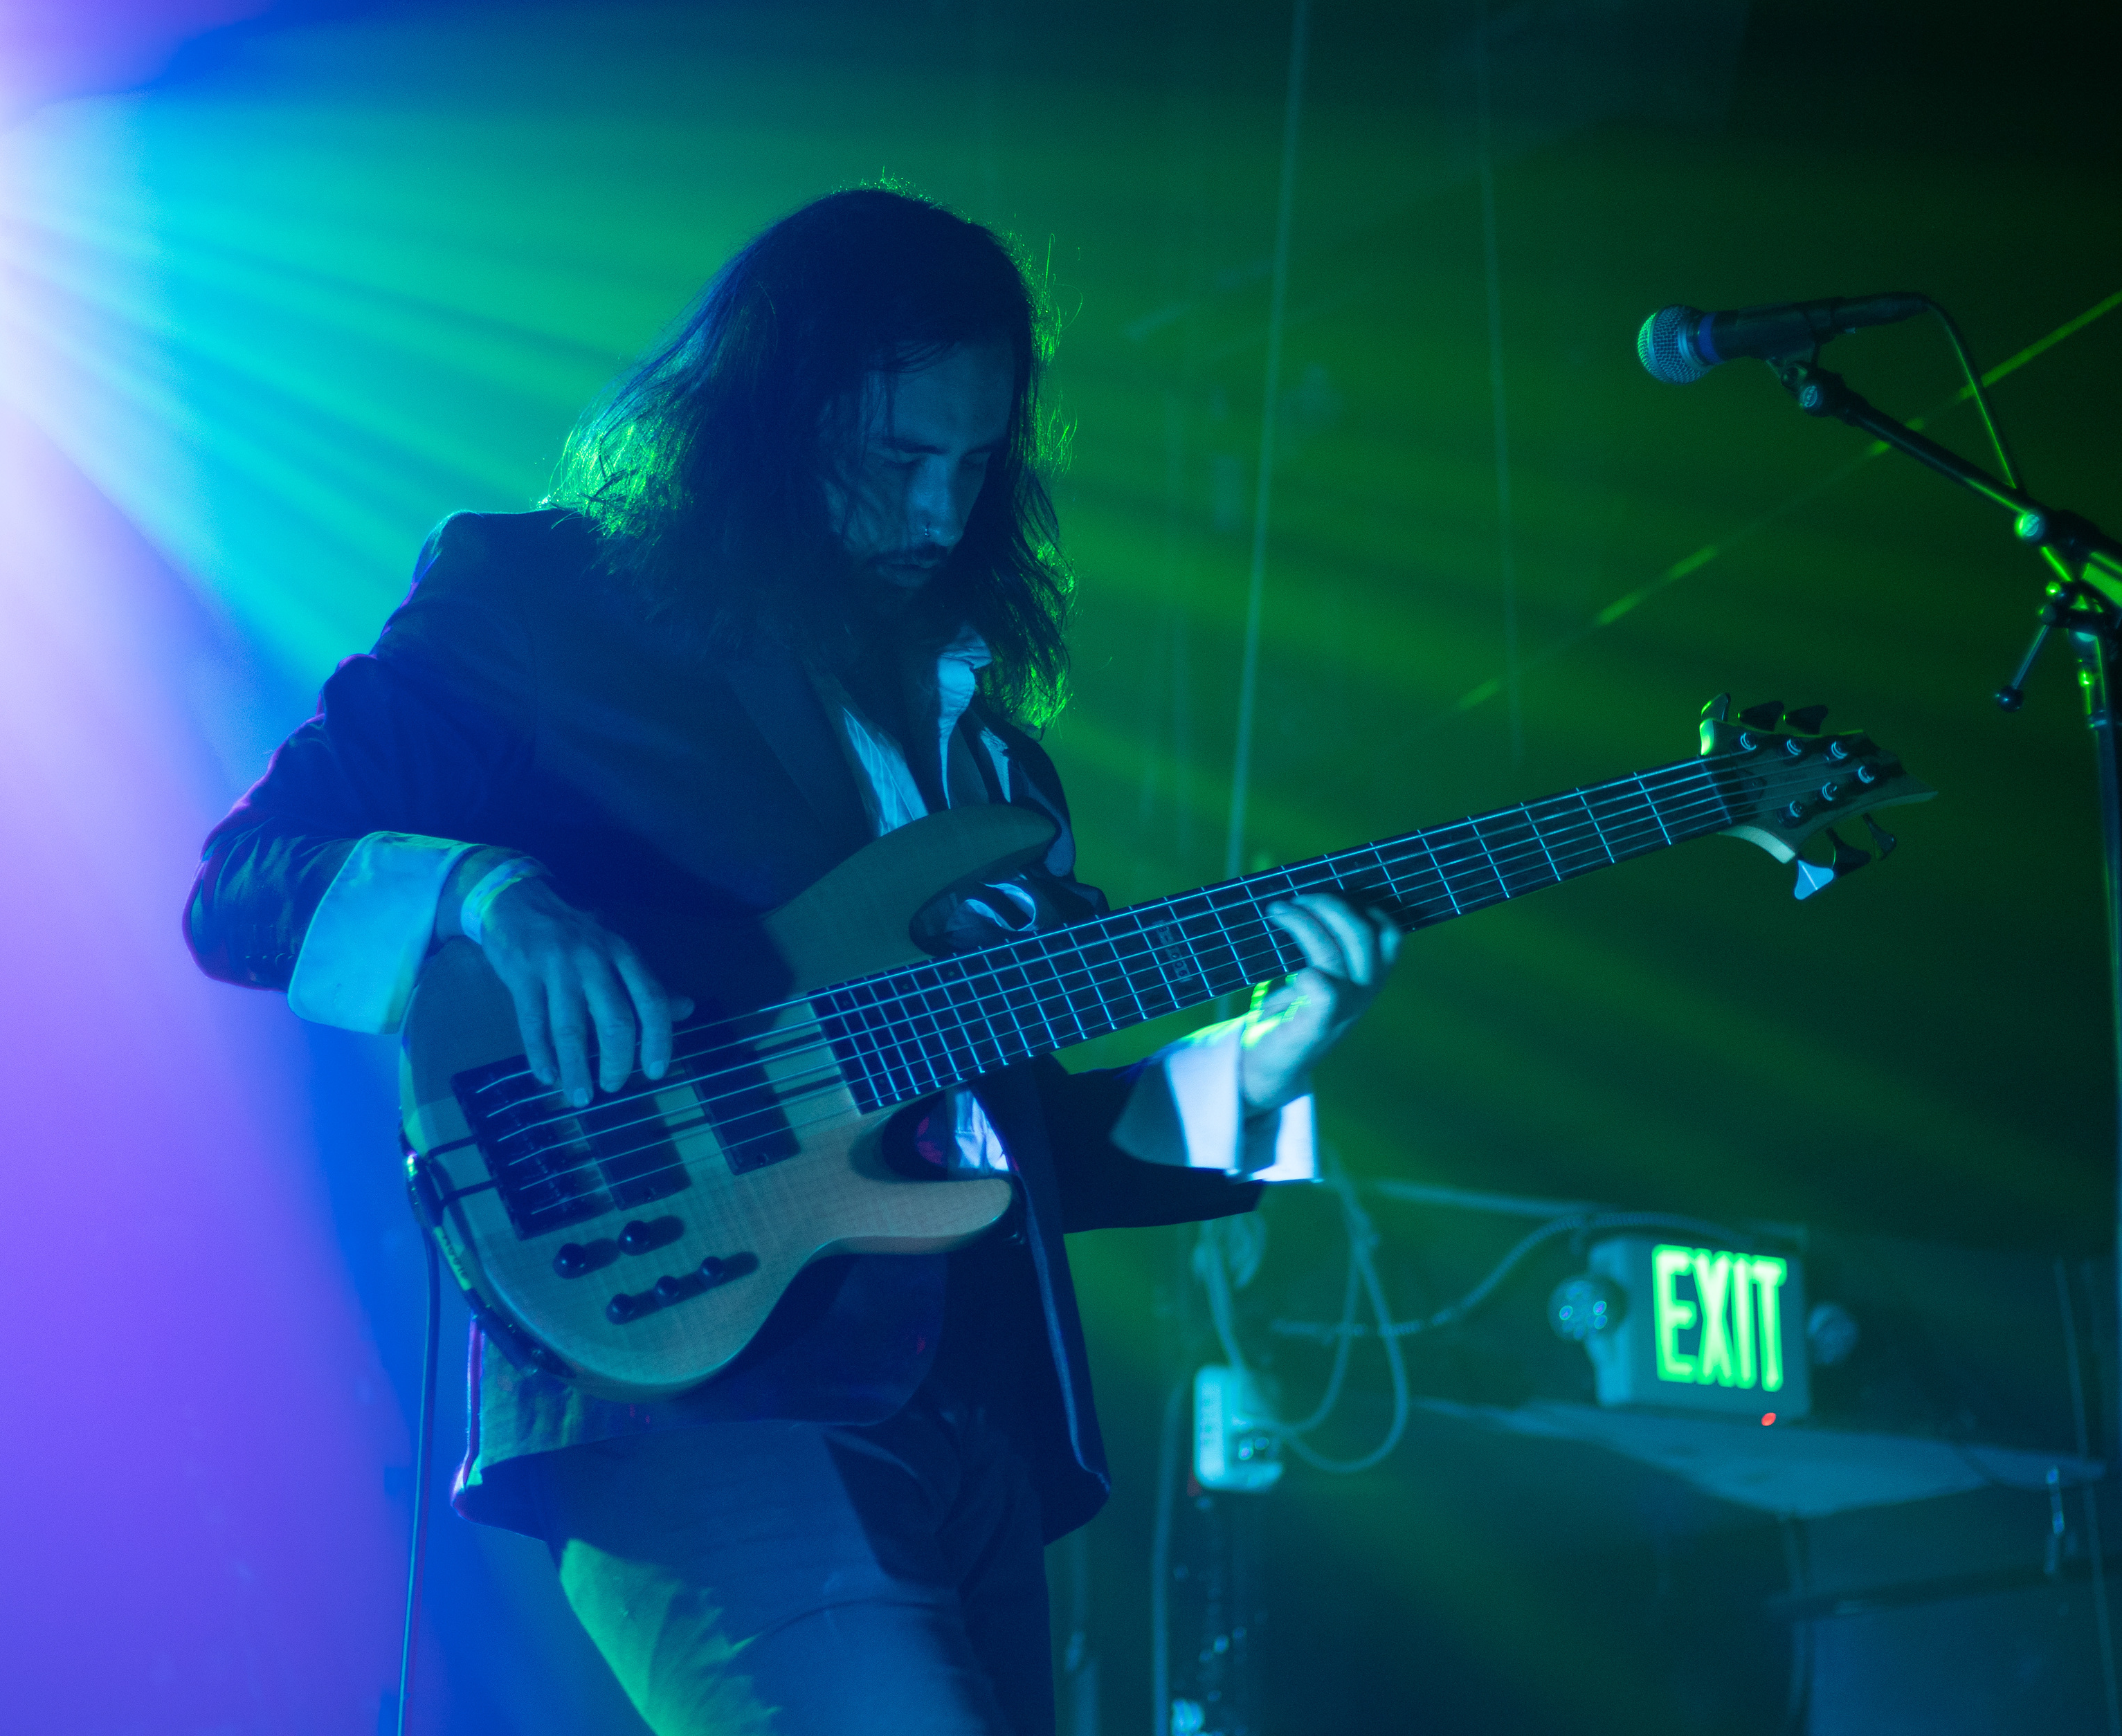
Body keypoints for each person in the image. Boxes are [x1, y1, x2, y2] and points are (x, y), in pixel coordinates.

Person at [184, 185, 1400, 1736]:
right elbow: (241, 886)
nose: (940, 513)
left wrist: (1272, 1058)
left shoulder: (991, 773)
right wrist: (490, 891)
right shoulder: (549, 603)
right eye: (897, 458)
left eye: (976, 464)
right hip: (687, 1380)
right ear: (768, 420)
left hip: (975, 1430)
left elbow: (1014, 1152)